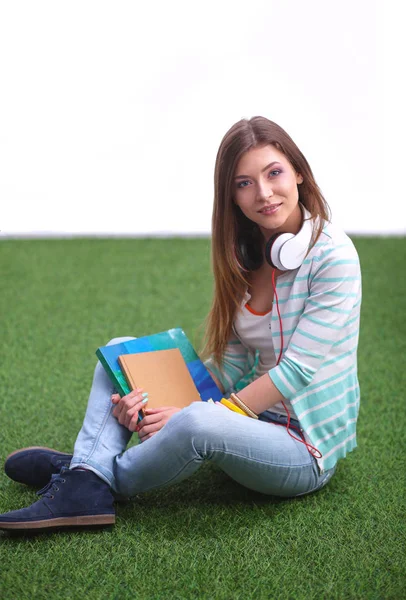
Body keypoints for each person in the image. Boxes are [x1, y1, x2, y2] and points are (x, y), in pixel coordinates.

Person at [0, 116, 362, 531]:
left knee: (197, 421)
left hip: (301, 447)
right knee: (123, 354)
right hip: (248, 423)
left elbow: (297, 371)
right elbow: (233, 360)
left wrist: (197, 414)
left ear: (298, 172)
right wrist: (145, 399)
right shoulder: (248, 253)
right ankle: (89, 471)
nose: (263, 193)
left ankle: (88, 474)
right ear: (232, 197)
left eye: (274, 173)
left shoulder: (334, 257)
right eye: (244, 183)